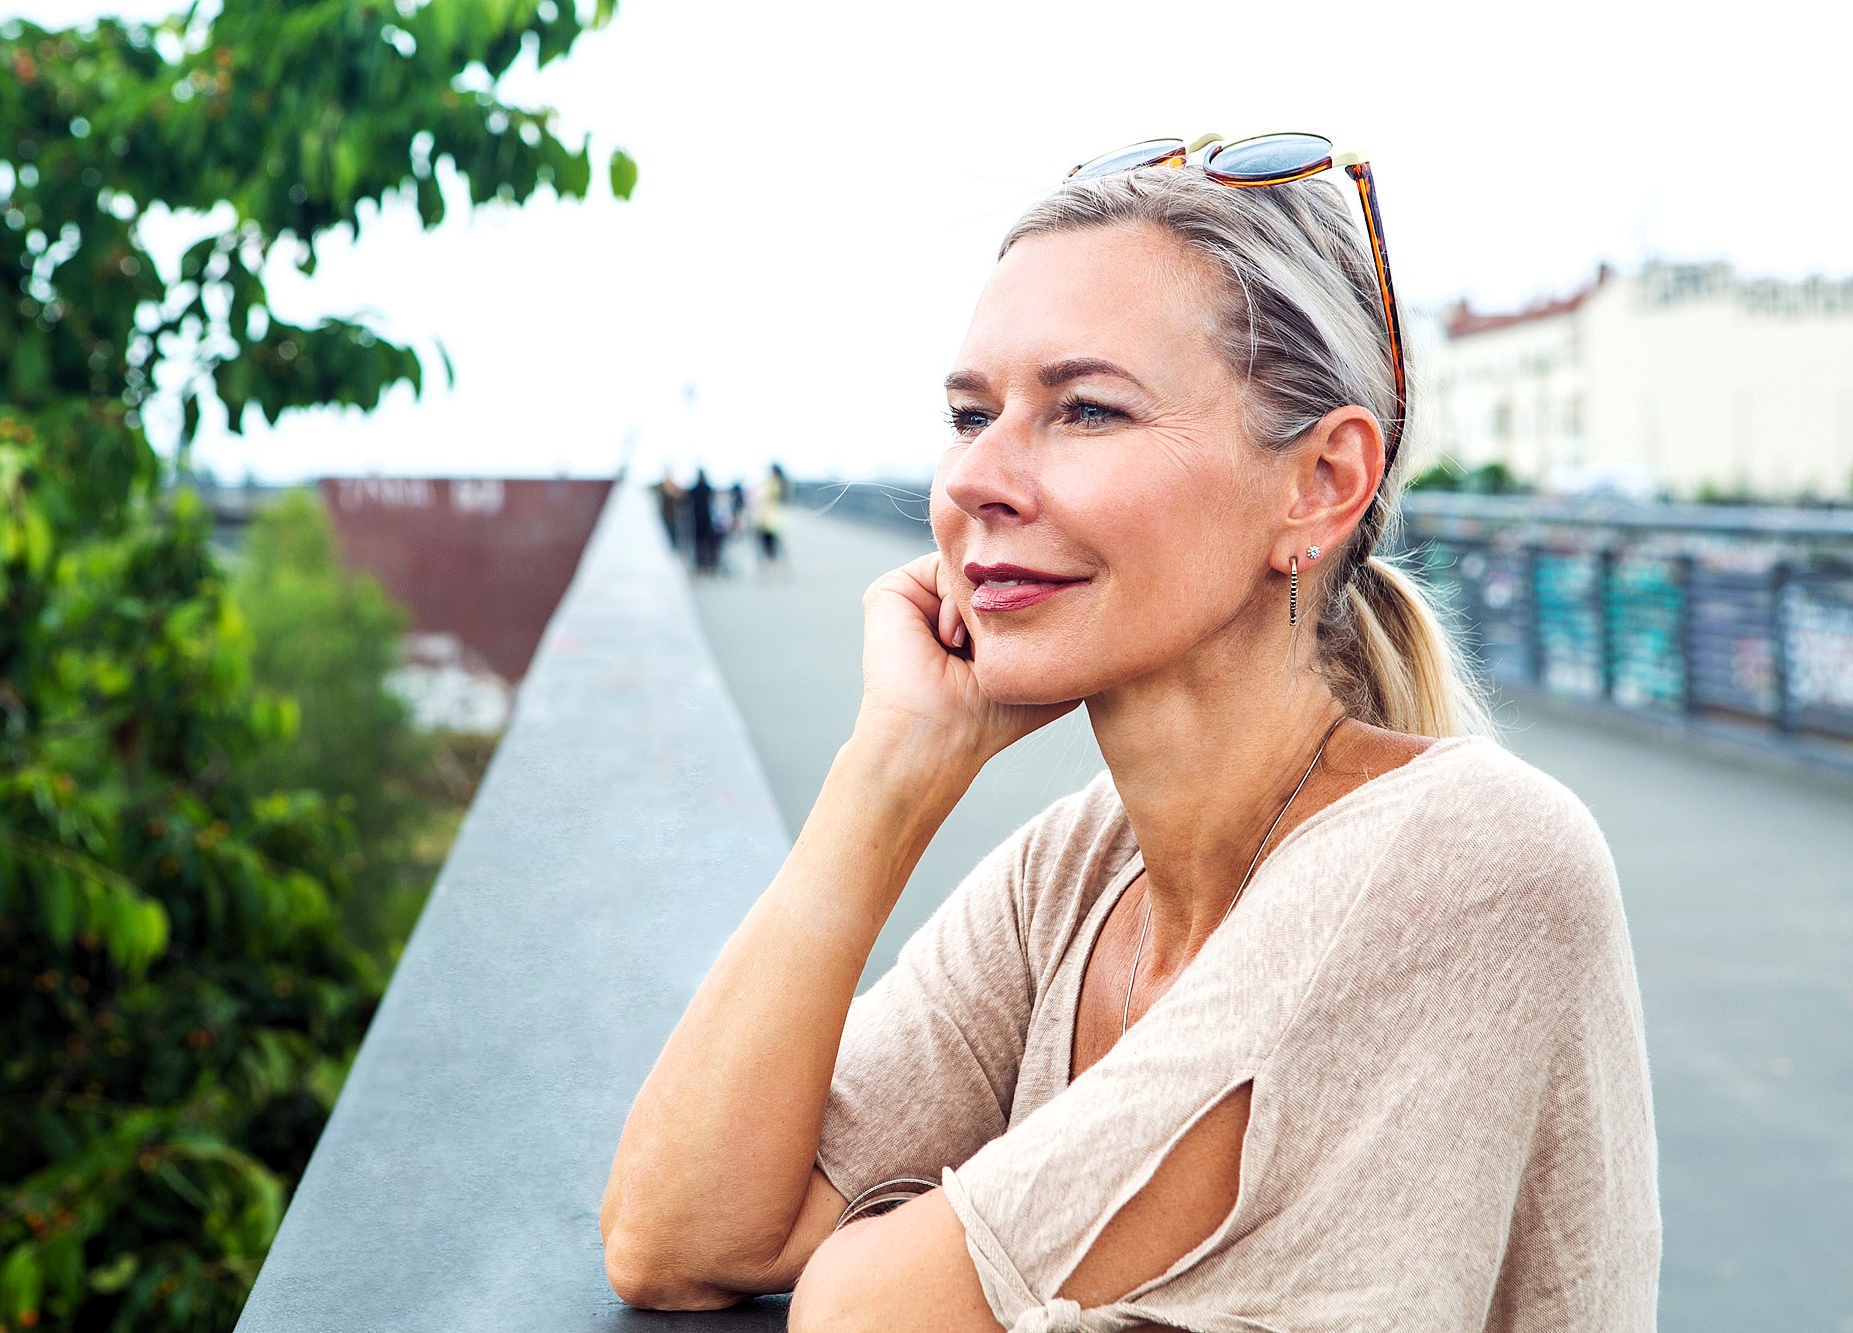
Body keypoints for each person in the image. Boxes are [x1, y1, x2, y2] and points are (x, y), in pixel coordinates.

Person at [602, 135, 1659, 1331]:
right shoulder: (1073, 877)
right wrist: (888, 777)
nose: (974, 481)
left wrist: (881, 1252)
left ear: (1319, 482)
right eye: (968, 413)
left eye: (1086, 410)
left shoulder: (1466, 851)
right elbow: (673, 1233)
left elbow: (860, 1312)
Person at [756, 462, 789, 569]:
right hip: (772, 516)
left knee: (769, 541)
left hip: (769, 516)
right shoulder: (780, 482)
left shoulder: (773, 482)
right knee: (772, 541)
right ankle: (775, 563)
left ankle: (772, 563)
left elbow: (763, 496)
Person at [687, 468, 718, 575]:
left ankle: (700, 566)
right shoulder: (708, 488)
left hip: (696, 520)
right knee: (707, 544)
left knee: (698, 544)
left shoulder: (694, 489)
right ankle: (707, 565)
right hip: (706, 520)